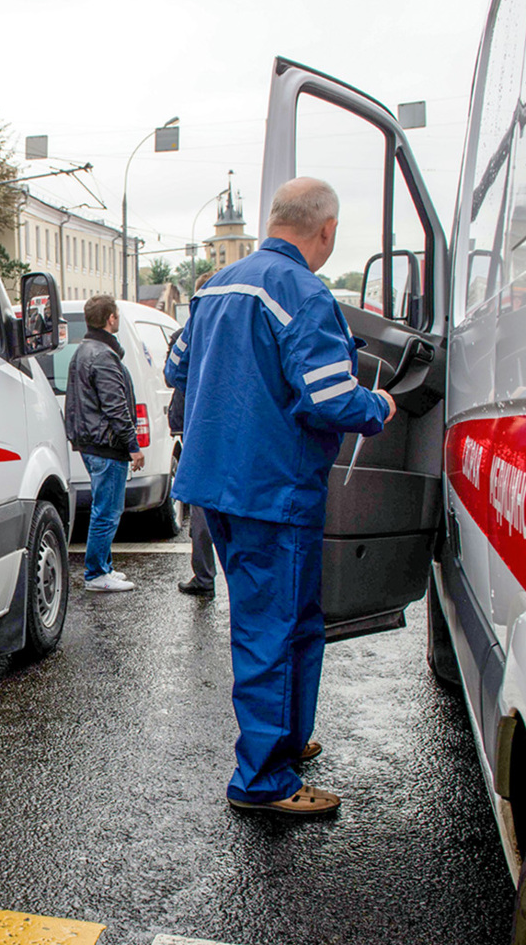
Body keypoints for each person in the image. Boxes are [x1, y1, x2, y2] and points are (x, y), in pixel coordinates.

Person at [164, 177, 397, 816]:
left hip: (217, 485)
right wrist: (380, 404)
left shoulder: (217, 285)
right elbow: (329, 398)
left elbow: (174, 367)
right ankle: (264, 779)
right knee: (279, 628)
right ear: (325, 231)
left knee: (276, 624)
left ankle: (287, 738)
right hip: (275, 489)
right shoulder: (306, 293)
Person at [65, 294, 145, 592]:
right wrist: (133, 446)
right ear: (110, 318)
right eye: (117, 315)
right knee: (108, 510)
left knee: (105, 506)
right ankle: (97, 574)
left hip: (92, 442)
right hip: (107, 445)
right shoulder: (102, 355)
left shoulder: (85, 350)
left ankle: (104, 567)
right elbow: (116, 408)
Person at [168, 272, 216, 598]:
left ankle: (204, 576)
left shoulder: (193, 326)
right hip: (238, 429)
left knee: (200, 504)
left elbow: (172, 371)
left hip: (198, 426)